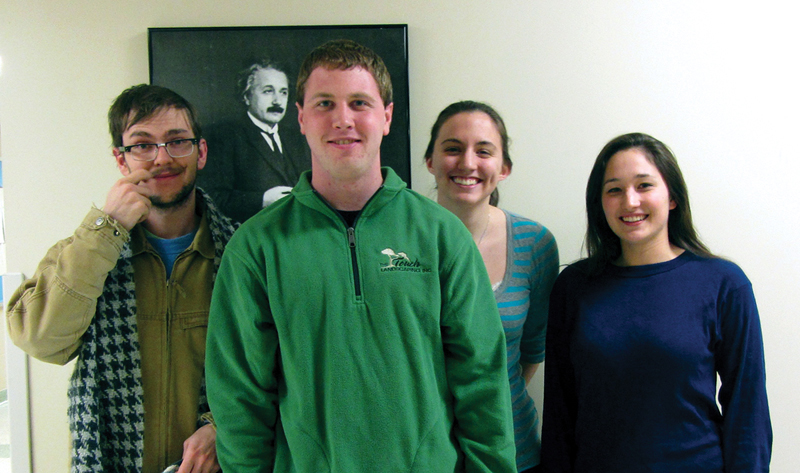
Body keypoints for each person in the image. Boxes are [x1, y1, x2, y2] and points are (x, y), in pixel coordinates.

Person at [205, 40, 517, 472]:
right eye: (325, 103)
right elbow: (239, 400)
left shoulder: (443, 236)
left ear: (386, 117)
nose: (342, 119)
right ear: (301, 117)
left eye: (359, 103)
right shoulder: (257, 247)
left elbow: (482, 383)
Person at [6, 84, 237, 473]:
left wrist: (221, 428)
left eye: (177, 141)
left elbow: (279, 363)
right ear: (120, 159)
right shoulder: (87, 250)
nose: (161, 158)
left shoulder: (242, 252)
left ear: (201, 151)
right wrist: (106, 229)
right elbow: (41, 339)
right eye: (142, 145)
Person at [540, 132, 772, 472]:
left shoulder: (724, 283)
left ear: (673, 197)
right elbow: (559, 412)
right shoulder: (574, 287)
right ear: (600, 203)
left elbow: (747, 409)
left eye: (644, 186)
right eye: (614, 189)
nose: (629, 201)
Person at [424, 101, 559, 472]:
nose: (467, 163)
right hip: (426, 455)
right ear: (430, 161)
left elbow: (531, 351)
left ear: (504, 169)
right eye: (452, 148)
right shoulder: (396, 245)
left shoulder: (535, 244)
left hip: (512, 452)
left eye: (483, 151)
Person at [198, 59, 311, 223]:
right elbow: (211, 197)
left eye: (283, 92)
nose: (277, 101)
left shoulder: (298, 138)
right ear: (246, 96)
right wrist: (262, 200)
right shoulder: (224, 136)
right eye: (267, 91)